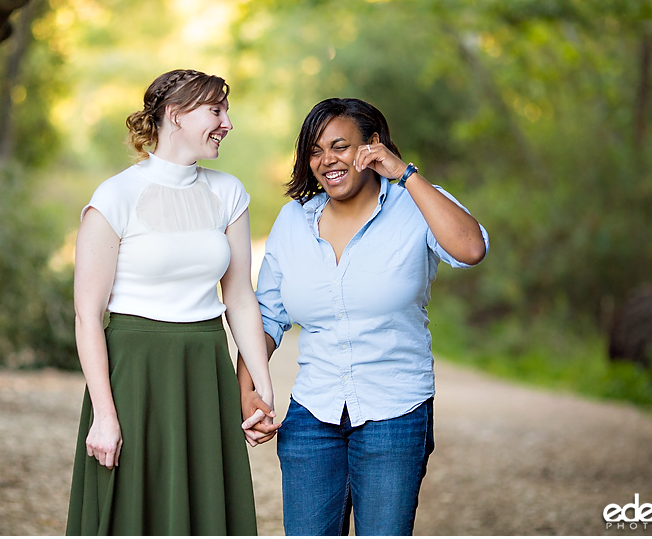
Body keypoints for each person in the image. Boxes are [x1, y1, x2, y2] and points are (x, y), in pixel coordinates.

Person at [237, 97, 489, 535]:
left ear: (373, 146)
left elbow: (471, 249)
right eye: (315, 150)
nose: (326, 160)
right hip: (312, 416)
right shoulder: (293, 221)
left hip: (395, 411)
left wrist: (405, 174)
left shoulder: (415, 205)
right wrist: (248, 390)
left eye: (340, 146)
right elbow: (266, 316)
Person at [66, 69, 276, 535]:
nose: (228, 123)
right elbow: (87, 315)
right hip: (135, 374)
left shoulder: (228, 193)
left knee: (202, 509)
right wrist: (104, 414)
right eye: (216, 111)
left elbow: (240, 298)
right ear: (175, 115)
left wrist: (262, 388)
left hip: (205, 368)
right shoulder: (116, 196)